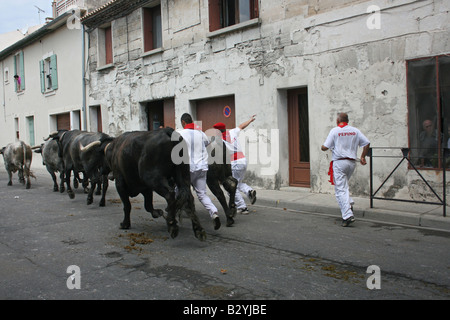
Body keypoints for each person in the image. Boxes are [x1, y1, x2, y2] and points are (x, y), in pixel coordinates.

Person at [321, 112, 370, 227]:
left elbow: (325, 147)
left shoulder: (335, 130)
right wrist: (362, 156)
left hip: (339, 162)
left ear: (338, 121)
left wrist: (322, 147)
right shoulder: (355, 131)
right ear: (347, 121)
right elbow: (366, 143)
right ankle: (349, 203)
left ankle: (347, 215)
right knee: (343, 186)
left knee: (340, 189)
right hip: (351, 163)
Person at [178, 113, 221, 230]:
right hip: (203, 168)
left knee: (180, 189)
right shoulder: (201, 133)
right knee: (202, 194)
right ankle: (214, 212)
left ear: (183, 122)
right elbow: (207, 143)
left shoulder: (180, 134)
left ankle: (178, 212)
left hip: (190, 169)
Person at [213, 115, 257, 214]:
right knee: (238, 182)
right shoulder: (232, 132)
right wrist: (249, 120)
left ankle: (242, 207)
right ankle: (249, 191)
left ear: (218, 131)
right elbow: (242, 126)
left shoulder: (218, 140)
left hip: (235, 163)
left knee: (231, 186)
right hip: (243, 161)